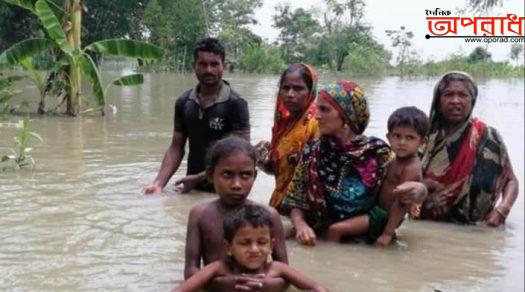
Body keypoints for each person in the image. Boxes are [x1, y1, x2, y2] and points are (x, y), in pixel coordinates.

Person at [280, 80, 400, 246]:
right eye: (317, 108)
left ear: (346, 116)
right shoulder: (312, 151)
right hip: (318, 235)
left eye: (324, 110)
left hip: (367, 239)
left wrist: (341, 229)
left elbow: (390, 211)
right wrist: (301, 225)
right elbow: (296, 200)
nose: (317, 115)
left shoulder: (379, 154)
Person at [143, 38, 250, 194]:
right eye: (203, 64)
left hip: (227, 192)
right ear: (194, 66)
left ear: (223, 66)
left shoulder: (236, 104)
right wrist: (158, 183)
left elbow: (241, 156)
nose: (208, 70)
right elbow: (176, 147)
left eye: (214, 64)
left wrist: (198, 178)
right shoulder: (184, 102)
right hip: (191, 188)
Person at [412, 71, 519, 226]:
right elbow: (399, 178)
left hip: (480, 229)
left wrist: (503, 210)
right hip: (426, 227)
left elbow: (511, 180)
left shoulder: (489, 137)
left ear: (472, 100)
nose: (455, 101)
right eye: (448, 95)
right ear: (438, 101)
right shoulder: (421, 137)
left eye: (463, 95)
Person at [184, 136, 288, 291]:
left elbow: (285, 275)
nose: (237, 184)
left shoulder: (269, 215)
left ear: (255, 176)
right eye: (227, 174)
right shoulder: (200, 215)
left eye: (245, 175)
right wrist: (227, 284)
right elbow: (190, 270)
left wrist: (262, 285)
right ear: (211, 175)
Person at [172, 205, 328, 292]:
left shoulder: (277, 269)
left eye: (261, 242)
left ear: (271, 246)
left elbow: (317, 288)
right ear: (229, 248)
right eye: (245, 243)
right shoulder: (218, 269)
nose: (254, 249)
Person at [255, 63, 319, 209]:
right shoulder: (283, 123)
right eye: (286, 88)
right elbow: (280, 168)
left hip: (302, 209)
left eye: (298, 89)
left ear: (311, 91)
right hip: (279, 202)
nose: (290, 94)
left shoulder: (316, 124)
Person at [375, 106, 429, 247]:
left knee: (336, 230)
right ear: (388, 137)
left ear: (423, 142)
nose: (402, 142)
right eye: (397, 136)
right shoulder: (394, 159)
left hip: (385, 219)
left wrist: (387, 233)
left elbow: (402, 202)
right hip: (380, 215)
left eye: (410, 138)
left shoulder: (411, 168)